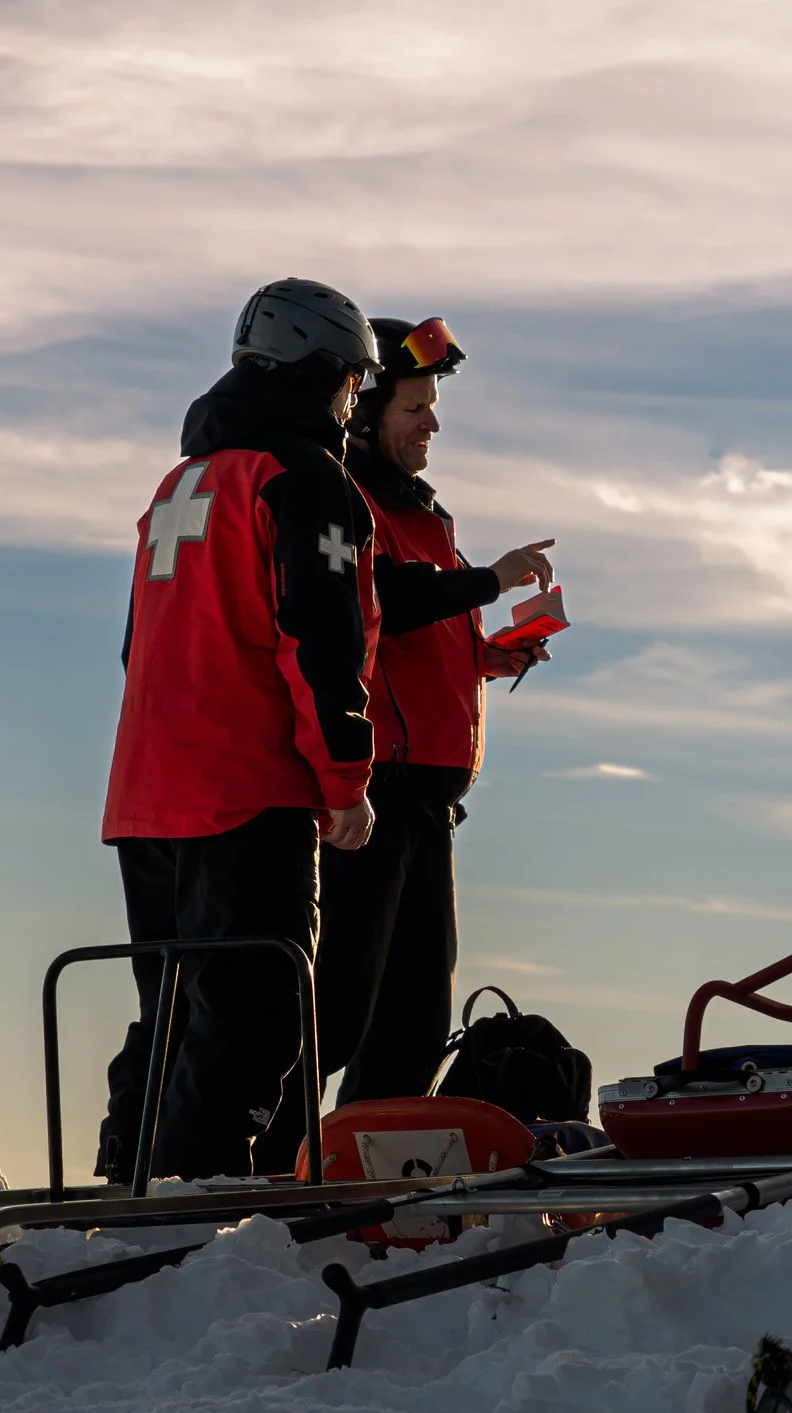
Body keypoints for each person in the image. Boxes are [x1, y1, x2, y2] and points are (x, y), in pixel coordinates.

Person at [95, 278, 383, 1183]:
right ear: (319, 372)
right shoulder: (303, 481)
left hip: (145, 797)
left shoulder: (180, 485)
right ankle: (194, 1221)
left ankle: (121, 1190)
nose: (351, 404)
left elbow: (137, 645)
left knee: (171, 1016)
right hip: (244, 791)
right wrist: (345, 781)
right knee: (254, 1019)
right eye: (351, 384)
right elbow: (318, 641)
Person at [306, 315, 557, 1114]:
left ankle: (361, 1167)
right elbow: (381, 601)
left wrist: (490, 653)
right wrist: (490, 580)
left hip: (430, 801)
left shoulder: (424, 514)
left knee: (415, 1017)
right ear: (368, 413)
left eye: (432, 407)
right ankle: (264, 1165)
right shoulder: (343, 505)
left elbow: (418, 630)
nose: (432, 424)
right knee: (339, 1005)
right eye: (415, 407)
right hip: (369, 792)